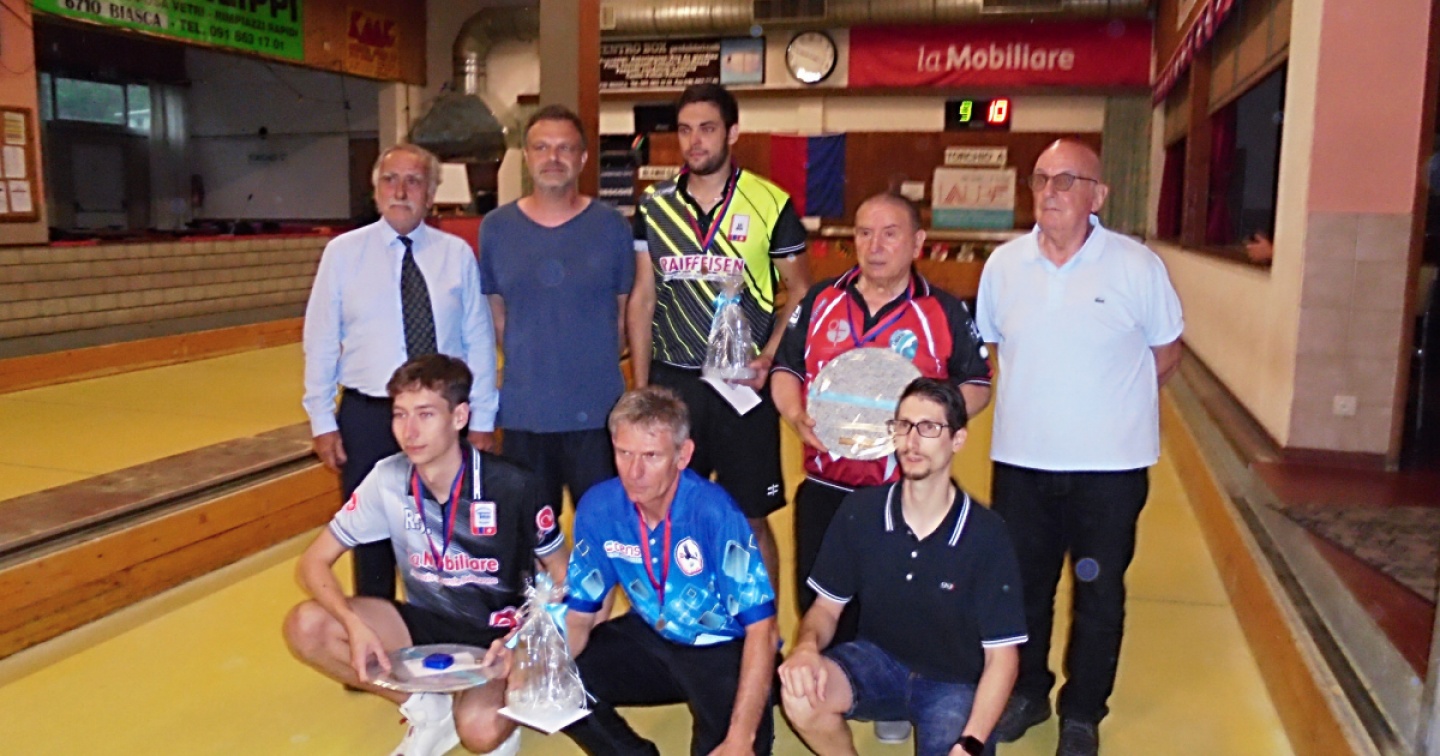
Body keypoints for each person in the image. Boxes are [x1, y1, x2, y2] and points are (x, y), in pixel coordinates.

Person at [975, 139, 1183, 756]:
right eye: (1041, 179)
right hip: (1022, 464)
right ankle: (1027, 693)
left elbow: (1166, 353)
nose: (1050, 191)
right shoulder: (1003, 266)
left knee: (1099, 593)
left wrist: (1105, 407)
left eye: (1067, 180)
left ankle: (1083, 711)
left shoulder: (1137, 266)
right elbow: (994, 347)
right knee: (1022, 590)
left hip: (1110, 470)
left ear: (1099, 196)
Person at [283, 355, 566, 756]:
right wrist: (352, 623)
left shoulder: (513, 485)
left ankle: (505, 702)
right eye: (400, 415)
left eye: (426, 414)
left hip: (499, 635)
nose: (409, 431)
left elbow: (563, 575)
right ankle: (426, 709)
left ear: (459, 416)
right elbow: (312, 563)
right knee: (307, 626)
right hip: (425, 624)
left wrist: (526, 648)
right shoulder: (388, 477)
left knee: (479, 733)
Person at [771, 192, 992, 630]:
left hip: (907, 492)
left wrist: (928, 424)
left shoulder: (942, 310)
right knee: (819, 615)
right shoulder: (821, 301)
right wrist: (795, 415)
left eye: (890, 234)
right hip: (826, 489)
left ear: (917, 242)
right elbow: (786, 369)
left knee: (900, 622)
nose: (875, 246)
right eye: (864, 233)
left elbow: (978, 385)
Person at [778, 378, 1025, 756]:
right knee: (800, 694)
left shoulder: (987, 534)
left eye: (929, 428)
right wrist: (806, 649)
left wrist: (971, 743)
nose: (912, 441)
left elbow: (1003, 657)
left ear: (958, 439)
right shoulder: (861, 512)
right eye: (904, 426)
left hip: (953, 683)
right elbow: (826, 609)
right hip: (878, 663)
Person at [628, 83, 812, 586]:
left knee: (750, 518)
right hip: (674, 382)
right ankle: (680, 619)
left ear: (732, 132)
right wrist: (642, 389)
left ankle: (764, 626)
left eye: (707, 129)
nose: (695, 141)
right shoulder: (654, 206)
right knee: (669, 512)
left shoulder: (770, 202)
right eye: (685, 130)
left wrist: (769, 356)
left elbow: (800, 290)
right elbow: (644, 297)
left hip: (741, 385)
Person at [303, 142, 499, 601]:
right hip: (369, 417)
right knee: (371, 541)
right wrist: (321, 420)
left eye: (414, 181)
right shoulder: (342, 254)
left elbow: (478, 340)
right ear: (376, 191)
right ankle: (376, 637)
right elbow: (321, 340)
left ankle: (447, 634)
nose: (401, 191)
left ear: (431, 193)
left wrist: (484, 418)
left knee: (447, 536)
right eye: (390, 180)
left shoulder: (456, 255)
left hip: (443, 419)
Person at [562, 386, 778, 755]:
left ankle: (766, 689)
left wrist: (741, 738)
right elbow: (579, 618)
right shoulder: (598, 508)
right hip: (650, 633)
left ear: (683, 455)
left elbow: (763, 629)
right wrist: (539, 671)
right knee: (557, 684)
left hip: (721, 647)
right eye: (624, 453)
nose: (634, 472)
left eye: (651, 456)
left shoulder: (714, 512)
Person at [479, 104, 634, 511]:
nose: (553, 157)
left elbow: (623, 315)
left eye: (565, 148)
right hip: (524, 416)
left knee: (603, 536)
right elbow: (496, 314)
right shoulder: (496, 229)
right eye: (541, 147)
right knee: (531, 539)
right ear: (527, 157)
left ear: (583, 158)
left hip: (599, 416)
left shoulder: (612, 227)